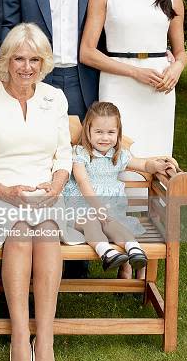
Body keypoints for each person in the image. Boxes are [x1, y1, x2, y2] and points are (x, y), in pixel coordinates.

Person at [0, 23, 83, 361]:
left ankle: (44, 338)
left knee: (46, 232)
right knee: (19, 232)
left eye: (34, 59)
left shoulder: (54, 98)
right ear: (6, 60)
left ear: (44, 62)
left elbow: (64, 156)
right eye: (19, 58)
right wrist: (6, 191)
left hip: (45, 191)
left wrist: (56, 185)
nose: (26, 66)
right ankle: (19, 335)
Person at [79, 0, 187, 277]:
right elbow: (88, 53)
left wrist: (177, 69)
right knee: (121, 163)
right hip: (119, 84)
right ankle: (126, 243)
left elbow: (181, 51)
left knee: (155, 169)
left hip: (159, 91)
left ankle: (147, 258)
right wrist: (134, 72)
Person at [63, 101, 177, 270]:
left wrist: (157, 166)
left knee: (114, 224)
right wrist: (99, 208)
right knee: (91, 222)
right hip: (81, 209)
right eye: (99, 132)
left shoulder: (119, 155)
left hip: (110, 211)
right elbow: (83, 182)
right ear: (88, 131)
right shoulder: (80, 154)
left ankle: (134, 250)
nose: (105, 137)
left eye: (110, 132)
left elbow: (144, 165)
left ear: (118, 133)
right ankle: (106, 252)